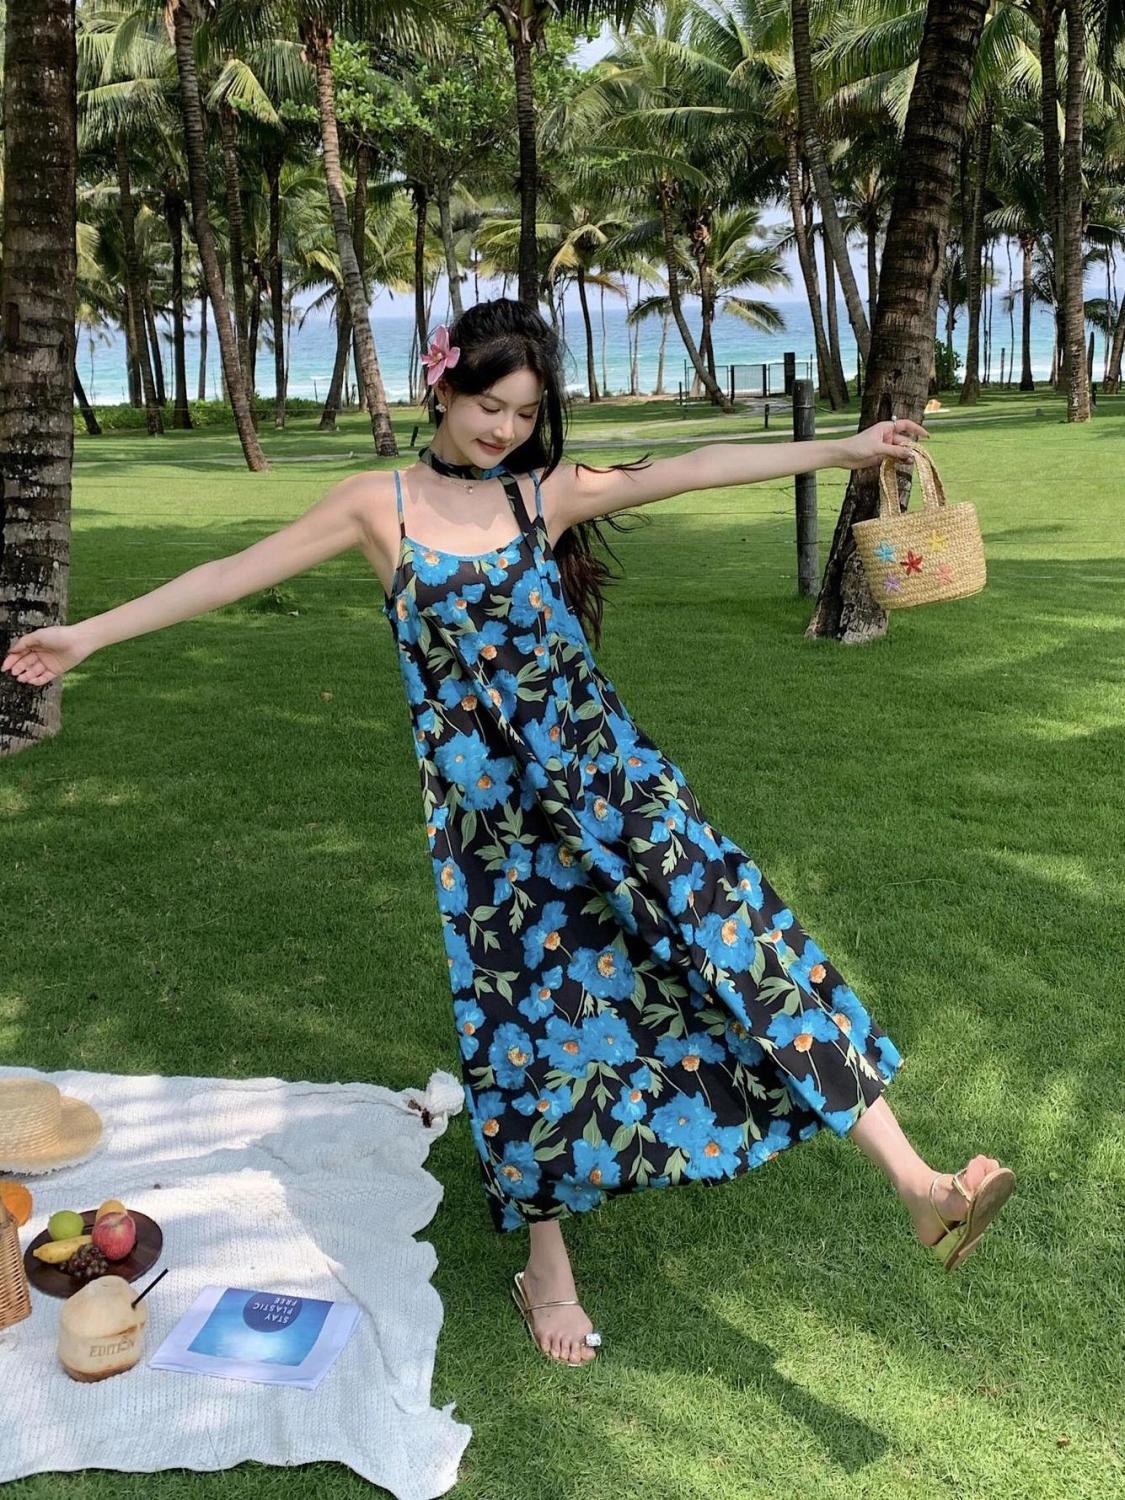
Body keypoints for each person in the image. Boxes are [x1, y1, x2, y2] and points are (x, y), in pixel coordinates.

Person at [3, 298, 1014, 1368]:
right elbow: (226, 574)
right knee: (525, 1033)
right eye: (490, 404)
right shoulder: (378, 506)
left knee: (749, 947)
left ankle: (920, 1185)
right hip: (495, 836)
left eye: (526, 413)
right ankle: (547, 1270)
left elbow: (696, 466)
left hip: (619, 790)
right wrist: (88, 636)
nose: (505, 429)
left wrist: (845, 449)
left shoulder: (544, 495)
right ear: (441, 386)